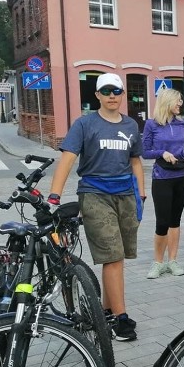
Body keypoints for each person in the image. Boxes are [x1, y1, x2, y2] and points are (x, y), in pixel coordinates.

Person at [48, 73, 144, 342]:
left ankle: (103, 311)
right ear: (98, 95)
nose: (113, 95)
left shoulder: (131, 126)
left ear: (123, 94)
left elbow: (135, 160)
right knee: (112, 257)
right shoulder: (85, 124)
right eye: (107, 91)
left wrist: (142, 195)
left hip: (125, 196)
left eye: (117, 91)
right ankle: (120, 319)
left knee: (118, 258)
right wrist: (54, 195)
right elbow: (68, 159)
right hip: (94, 195)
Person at [142, 88, 184, 279]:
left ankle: (172, 261)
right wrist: (161, 153)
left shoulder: (182, 124)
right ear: (167, 102)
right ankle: (158, 263)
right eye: (178, 100)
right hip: (162, 178)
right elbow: (145, 151)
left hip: (182, 176)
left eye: (181, 100)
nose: (180, 104)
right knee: (162, 221)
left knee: (175, 220)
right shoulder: (152, 124)